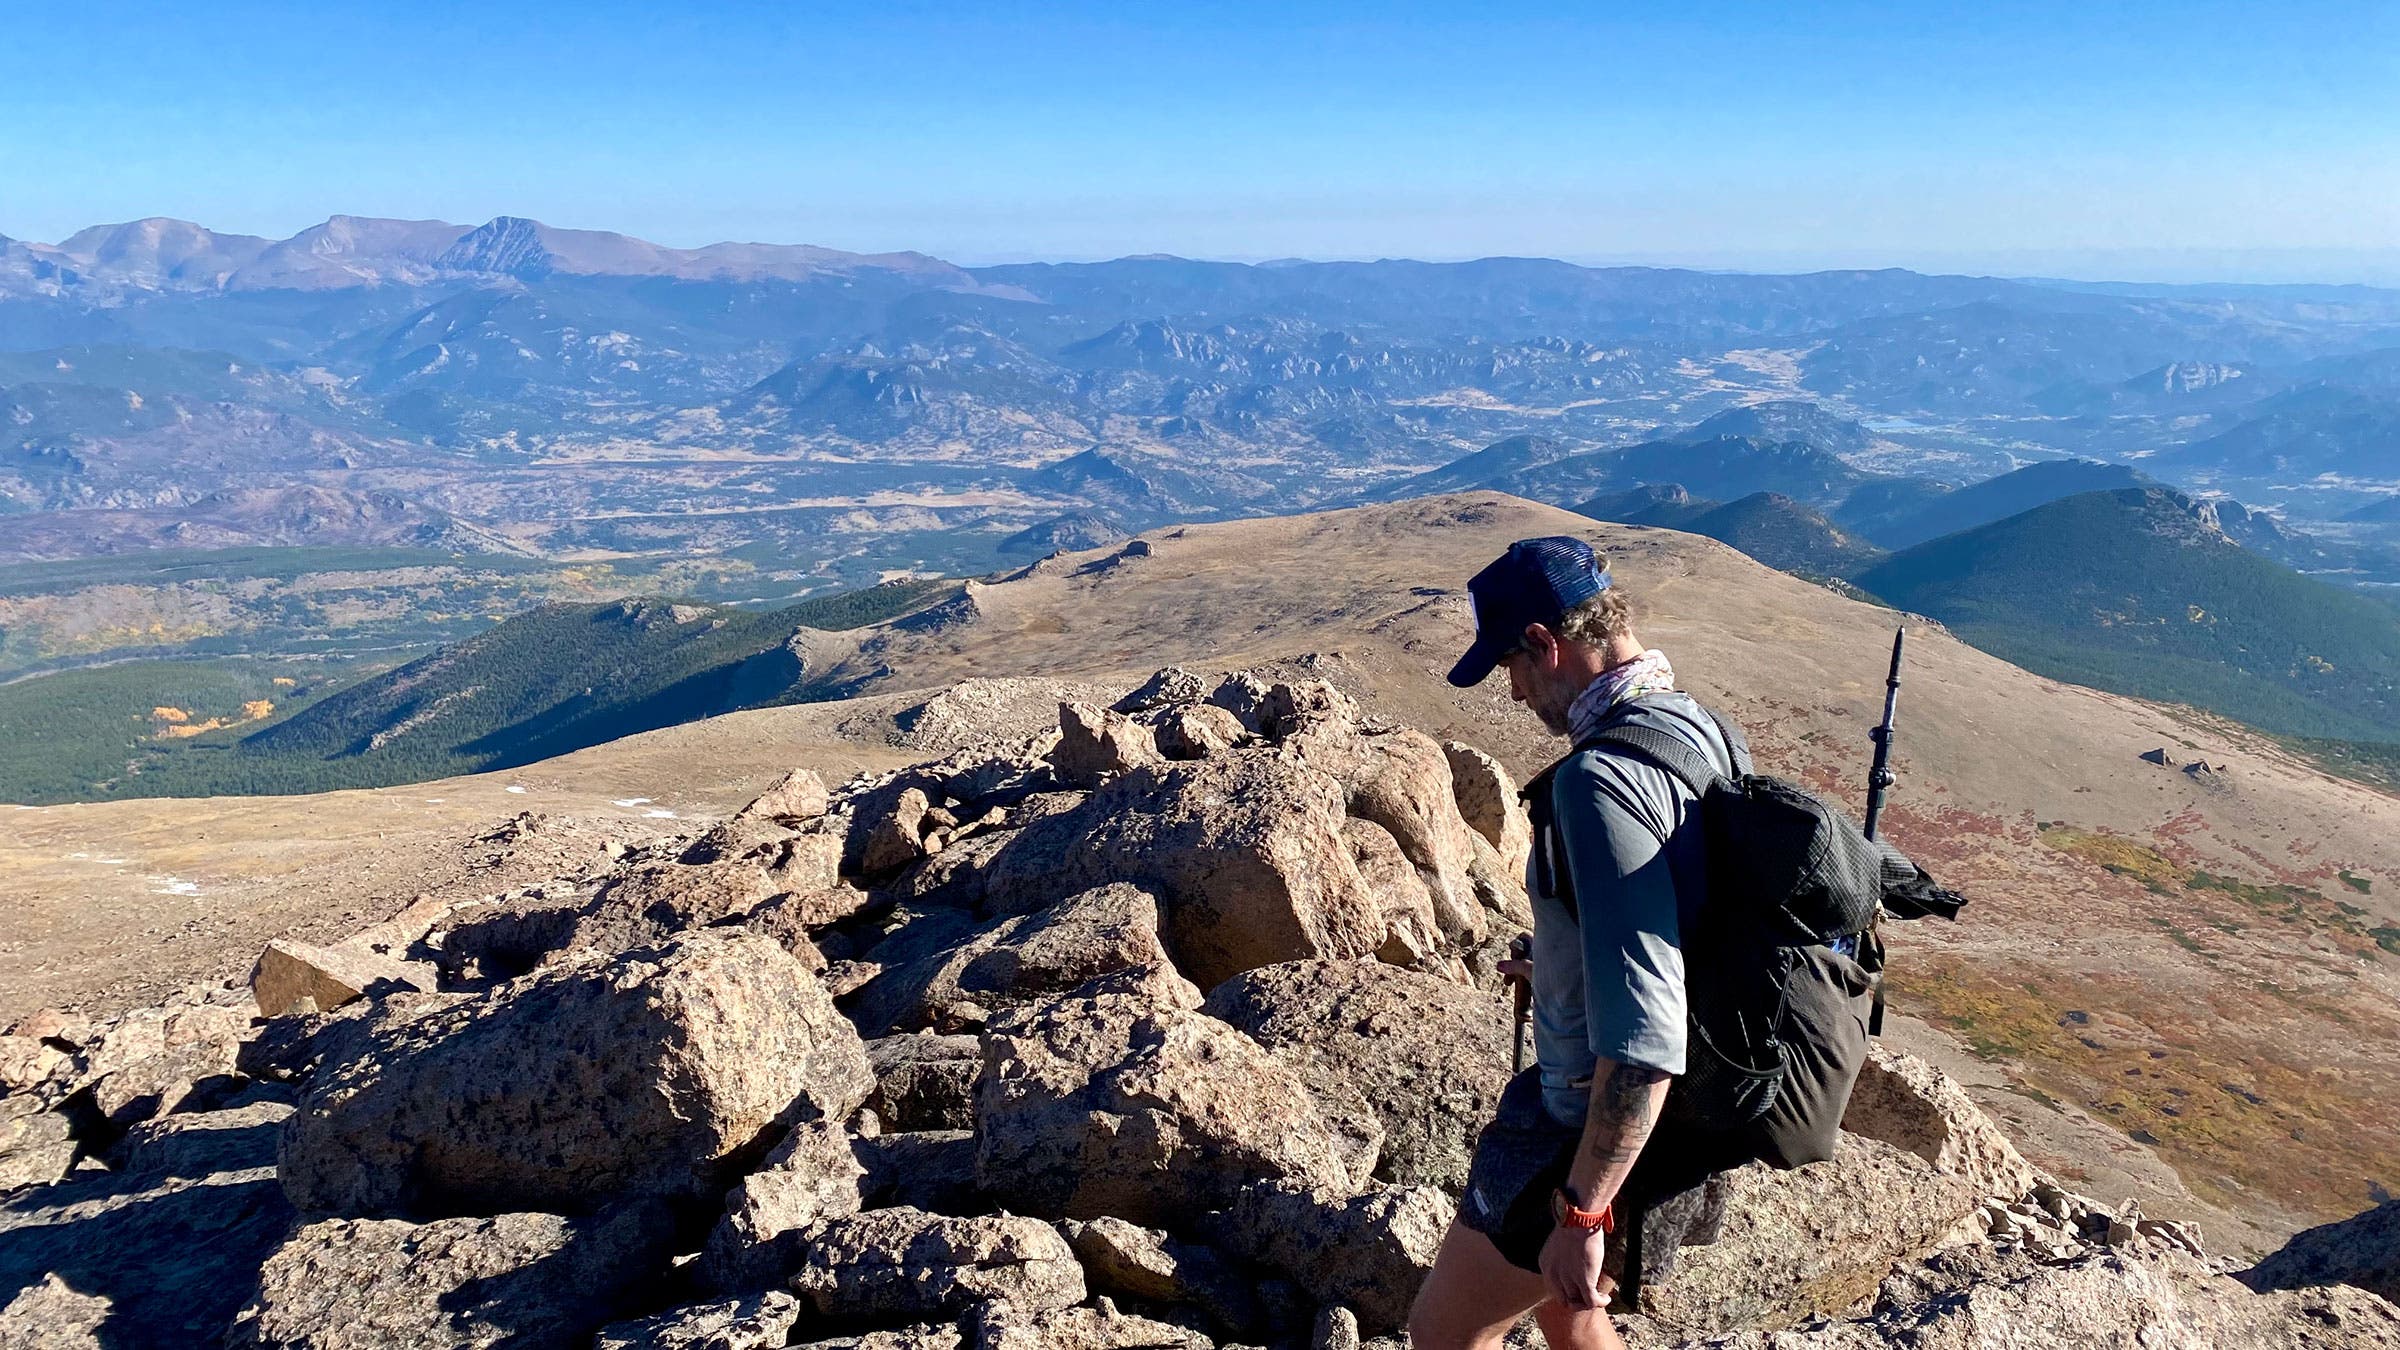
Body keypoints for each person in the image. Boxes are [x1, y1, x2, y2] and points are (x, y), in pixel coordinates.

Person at [1409, 535, 1742, 1350]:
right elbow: (1680, 914)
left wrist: (1583, 1209)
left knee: (1444, 1336)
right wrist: (1562, 966)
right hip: (1683, 1115)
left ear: (1542, 643)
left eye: (1510, 669)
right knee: (1569, 1309)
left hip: (1579, 1128)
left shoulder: (1598, 781)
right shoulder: (1696, 724)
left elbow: (1646, 1037)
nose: (1516, 693)